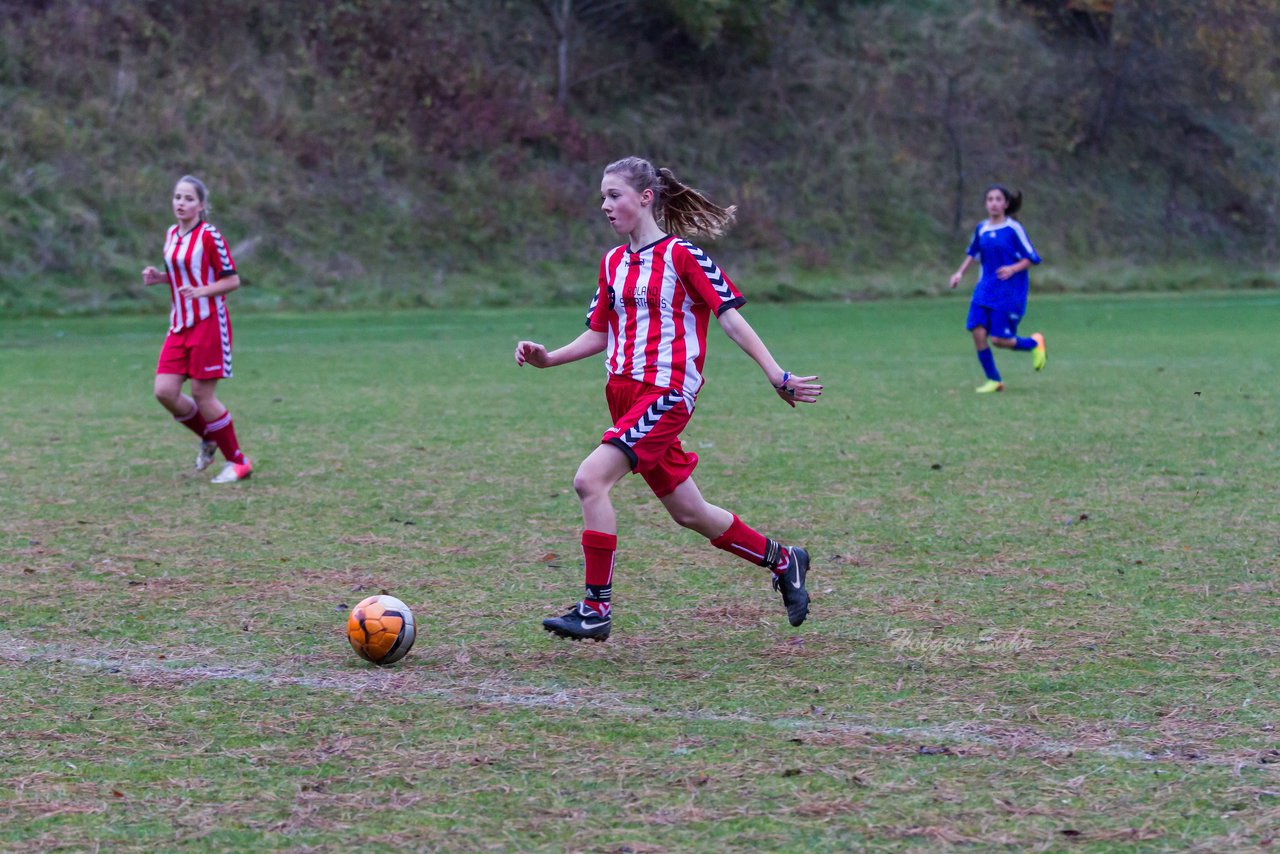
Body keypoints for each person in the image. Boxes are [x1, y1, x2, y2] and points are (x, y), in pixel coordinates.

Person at [514, 156, 822, 642]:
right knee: (689, 512)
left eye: (614, 195)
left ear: (645, 197)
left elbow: (731, 318)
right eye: (602, 197)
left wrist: (776, 373)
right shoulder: (612, 263)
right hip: (623, 395)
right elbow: (599, 333)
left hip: (666, 394)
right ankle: (784, 559)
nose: (605, 205)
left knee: (589, 481)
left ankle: (595, 610)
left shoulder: (684, 257)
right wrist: (547, 358)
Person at [141, 175, 253, 483]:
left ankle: (239, 462)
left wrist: (202, 291)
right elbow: (181, 274)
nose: (181, 203)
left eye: (189, 199)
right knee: (164, 392)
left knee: (203, 395)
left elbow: (232, 280)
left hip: (208, 323)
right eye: (177, 197)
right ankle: (210, 435)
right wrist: (160, 277)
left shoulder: (209, 235)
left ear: (201, 205)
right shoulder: (171, 234)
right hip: (179, 324)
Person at [948, 184, 1046, 392]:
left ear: (1006, 204)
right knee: (977, 330)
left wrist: (1012, 268)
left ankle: (1034, 343)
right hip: (985, 288)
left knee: (999, 339)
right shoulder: (981, 228)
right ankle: (994, 380)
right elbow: (973, 253)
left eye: (998, 199)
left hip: (1008, 291)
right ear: (986, 204)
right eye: (990, 199)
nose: (994, 203)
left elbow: (1032, 258)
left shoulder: (1013, 229)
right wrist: (959, 273)